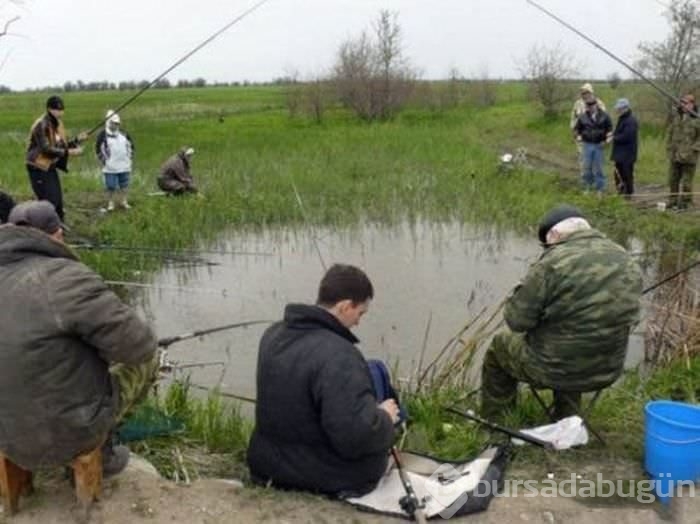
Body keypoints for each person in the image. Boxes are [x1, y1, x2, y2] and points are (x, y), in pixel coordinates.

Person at [0, 201, 159, 476]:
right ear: (58, 234)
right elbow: (139, 345)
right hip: (68, 434)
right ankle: (104, 448)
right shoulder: (67, 278)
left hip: (6, 430)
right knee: (149, 358)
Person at [247, 264, 399, 496]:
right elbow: (355, 438)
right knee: (379, 386)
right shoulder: (340, 355)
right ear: (345, 306)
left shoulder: (273, 334)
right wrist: (385, 419)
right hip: (322, 475)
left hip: (265, 465)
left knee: (373, 369)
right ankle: (400, 420)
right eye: (360, 313)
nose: (359, 322)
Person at [480, 204, 642, 420]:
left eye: (546, 245)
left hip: (554, 370)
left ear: (554, 235)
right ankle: (567, 418)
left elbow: (516, 321)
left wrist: (522, 288)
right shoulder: (626, 258)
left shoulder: (551, 264)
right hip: (607, 370)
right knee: (572, 338)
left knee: (499, 345)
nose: (547, 249)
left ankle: (496, 422)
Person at [26, 95, 86, 222]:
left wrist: (77, 140)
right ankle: (42, 228)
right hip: (38, 167)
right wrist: (70, 152)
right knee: (49, 202)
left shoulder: (57, 124)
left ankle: (58, 227)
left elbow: (60, 146)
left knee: (58, 200)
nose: (60, 112)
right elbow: (46, 149)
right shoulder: (41, 125)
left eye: (61, 109)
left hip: (49, 166)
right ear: (49, 109)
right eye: (56, 109)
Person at [95, 110, 134, 211]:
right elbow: (98, 150)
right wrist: (105, 161)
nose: (115, 125)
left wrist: (129, 159)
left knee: (124, 185)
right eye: (113, 123)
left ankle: (124, 201)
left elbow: (131, 147)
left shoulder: (124, 134)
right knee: (111, 186)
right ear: (108, 122)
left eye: (117, 123)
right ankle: (110, 203)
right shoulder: (102, 135)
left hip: (124, 165)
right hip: (110, 167)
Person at [666, 94, 700, 210]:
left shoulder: (697, 119)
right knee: (673, 179)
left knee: (686, 182)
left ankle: (686, 202)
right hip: (675, 155)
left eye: (685, 103)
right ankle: (673, 200)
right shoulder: (677, 116)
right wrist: (669, 147)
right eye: (682, 102)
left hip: (689, 157)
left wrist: (693, 149)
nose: (683, 105)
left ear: (692, 104)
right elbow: (670, 133)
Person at [574, 98, 613, 194]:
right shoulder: (582, 117)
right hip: (587, 145)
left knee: (599, 167)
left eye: (592, 105)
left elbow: (610, 130)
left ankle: (600, 188)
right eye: (588, 106)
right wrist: (578, 136)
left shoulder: (605, 116)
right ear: (586, 106)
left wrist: (607, 140)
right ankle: (587, 186)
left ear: (596, 105)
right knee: (586, 167)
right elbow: (577, 130)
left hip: (599, 145)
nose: (590, 107)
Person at [570, 83, 607, 173]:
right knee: (582, 158)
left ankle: (595, 179)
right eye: (582, 92)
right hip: (581, 137)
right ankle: (585, 180)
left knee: (595, 160)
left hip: (595, 137)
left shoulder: (599, 104)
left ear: (591, 92)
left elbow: (604, 121)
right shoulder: (577, 104)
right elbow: (573, 118)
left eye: (586, 92)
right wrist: (574, 130)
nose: (584, 94)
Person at [610, 98, 639, 197]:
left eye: (620, 108)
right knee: (618, 174)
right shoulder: (622, 118)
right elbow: (620, 133)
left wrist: (613, 138)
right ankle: (620, 192)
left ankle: (628, 194)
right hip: (620, 153)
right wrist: (613, 135)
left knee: (627, 174)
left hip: (627, 154)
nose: (618, 110)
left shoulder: (631, 121)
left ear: (625, 108)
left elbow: (627, 136)